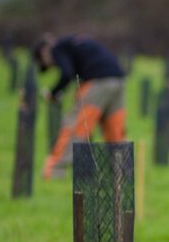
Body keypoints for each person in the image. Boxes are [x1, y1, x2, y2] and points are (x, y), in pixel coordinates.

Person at [32, 34, 127, 179]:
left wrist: (53, 92)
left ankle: (55, 170)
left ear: (44, 51)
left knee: (76, 126)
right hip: (118, 80)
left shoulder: (57, 48)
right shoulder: (76, 43)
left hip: (98, 82)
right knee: (115, 130)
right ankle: (121, 173)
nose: (50, 65)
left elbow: (67, 74)